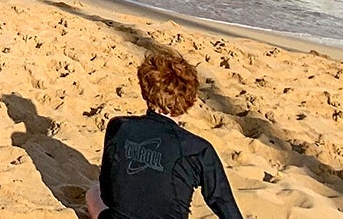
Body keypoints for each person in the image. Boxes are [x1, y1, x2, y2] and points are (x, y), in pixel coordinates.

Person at [87, 50, 244, 219]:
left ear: (144, 91)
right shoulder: (199, 149)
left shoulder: (119, 126)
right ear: (190, 102)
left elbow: (107, 191)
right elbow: (224, 205)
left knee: (93, 192)